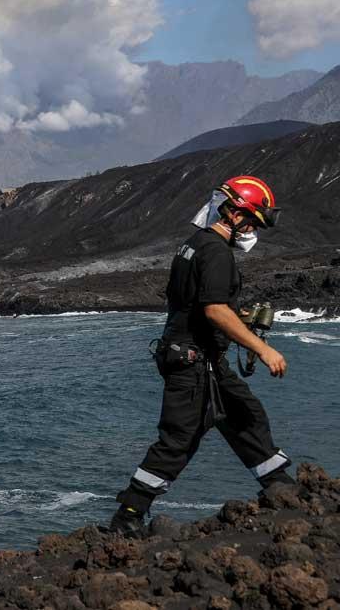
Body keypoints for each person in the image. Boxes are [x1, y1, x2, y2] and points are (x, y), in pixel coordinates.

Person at [110, 175, 294, 536]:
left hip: (199, 358)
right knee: (179, 439)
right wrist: (262, 348)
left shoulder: (193, 245)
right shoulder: (217, 253)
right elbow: (213, 310)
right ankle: (127, 517)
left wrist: (238, 321)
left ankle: (280, 486)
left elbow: (193, 304)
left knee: (245, 414)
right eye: (254, 222)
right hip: (193, 363)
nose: (254, 230)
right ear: (237, 215)